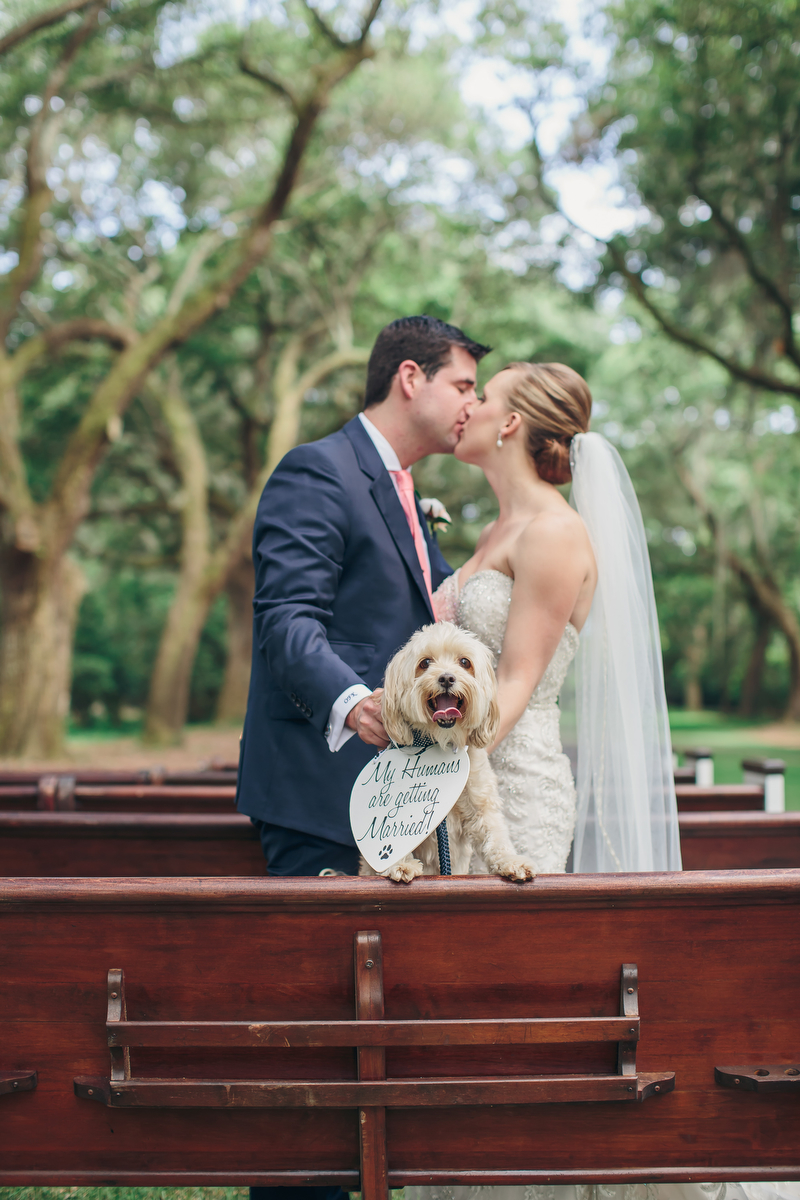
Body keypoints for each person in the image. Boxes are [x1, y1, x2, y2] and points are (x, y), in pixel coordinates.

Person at [408, 361, 794, 1200]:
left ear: (511, 425)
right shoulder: (494, 531)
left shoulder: (552, 532)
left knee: (504, 1004)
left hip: (516, 783)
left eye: (485, 395)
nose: (467, 407)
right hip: (462, 780)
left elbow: (512, 686)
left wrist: (424, 743)